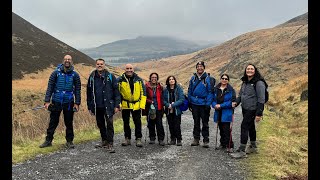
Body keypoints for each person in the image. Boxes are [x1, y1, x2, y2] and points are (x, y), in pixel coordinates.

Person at [39, 54, 81, 149]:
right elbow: (50, 87)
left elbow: (78, 90)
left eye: (69, 59)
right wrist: (47, 101)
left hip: (69, 102)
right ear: (63, 61)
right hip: (56, 101)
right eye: (66, 59)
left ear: (71, 61)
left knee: (69, 122)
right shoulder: (55, 73)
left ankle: (69, 141)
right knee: (53, 122)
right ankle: (48, 141)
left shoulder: (75, 75)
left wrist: (77, 103)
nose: (67, 61)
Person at [230, 63, 267, 159]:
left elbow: (261, 99)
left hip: (253, 109)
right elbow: (241, 95)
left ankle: (242, 150)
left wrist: (259, 113)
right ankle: (253, 147)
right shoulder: (245, 82)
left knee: (244, 126)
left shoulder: (259, 83)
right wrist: (236, 103)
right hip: (245, 108)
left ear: (255, 71)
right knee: (251, 127)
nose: (249, 70)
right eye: (248, 69)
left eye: (251, 69)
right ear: (245, 71)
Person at [86, 58, 121, 153]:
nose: (99, 65)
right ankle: (104, 141)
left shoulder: (110, 76)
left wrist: (117, 105)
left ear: (104, 65)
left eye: (101, 64)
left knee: (109, 124)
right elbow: (88, 92)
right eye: (98, 64)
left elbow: (116, 91)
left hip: (109, 105)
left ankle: (110, 143)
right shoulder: (92, 76)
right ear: (95, 65)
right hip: (97, 106)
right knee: (100, 124)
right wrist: (89, 106)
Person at [118, 64, 147, 147]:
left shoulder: (139, 79)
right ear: (125, 69)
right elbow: (117, 93)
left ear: (133, 69)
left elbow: (143, 93)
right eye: (127, 68)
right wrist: (119, 104)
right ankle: (127, 138)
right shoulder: (120, 79)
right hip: (125, 105)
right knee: (126, 122)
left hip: (136, 105)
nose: (129, 70)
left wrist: (142, 105)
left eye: (130, 68)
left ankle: (138, 138)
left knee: (137, 122)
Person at [187, 61, 215, 148]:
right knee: (196, 122)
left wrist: (208, 104)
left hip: (204, 104)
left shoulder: (208, 79)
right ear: (196, 68)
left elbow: (210, 92)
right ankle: (196, 139)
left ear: (204, 68)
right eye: (198, 66)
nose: (199, 68)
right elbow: (190, 91)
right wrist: (190, 102)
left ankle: (206, 140)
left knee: (205, 123)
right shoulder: (193, 78)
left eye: (201, 66)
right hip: (194, 104)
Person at [211, 74, 236, 152]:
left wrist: (221, 105)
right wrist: (214, 105)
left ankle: (230, 145)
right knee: (221, 128)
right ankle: (223, 143)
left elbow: (232, 102)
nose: (224, 80)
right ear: (220, 79)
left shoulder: (231, 90)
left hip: (227, 111)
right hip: (218, 111)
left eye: (226, 79)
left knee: (226, 129)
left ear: (228, 80)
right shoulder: (216, 89)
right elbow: (213, 100)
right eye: (223, 78)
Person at [144, 73, 165, 146]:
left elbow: (163, 96)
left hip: (159, 107)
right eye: (152, 77)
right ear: (150, 78)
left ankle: (161, 139)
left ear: (157, 78)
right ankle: (152, 138)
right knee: (150, 124)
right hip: (150, 108)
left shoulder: (160, 87)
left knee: (159, 124)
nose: (154, 78)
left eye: (155, 77)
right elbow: (144, 97)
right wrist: (150, 101)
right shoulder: (146, 86)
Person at [163, 76, 184, 146]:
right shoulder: (165, 90)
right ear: (168, 81)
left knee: (177, 125)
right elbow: (163, 100)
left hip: (177, 110)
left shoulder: (179, 89)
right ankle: (172, 139)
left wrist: (173, 105)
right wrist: (167, 105)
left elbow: (181, 99)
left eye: (172, 79)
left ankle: (179, 139)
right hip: (168, 110)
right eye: (170, 79)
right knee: (170, 125)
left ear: (175, 80)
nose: (171, 80)